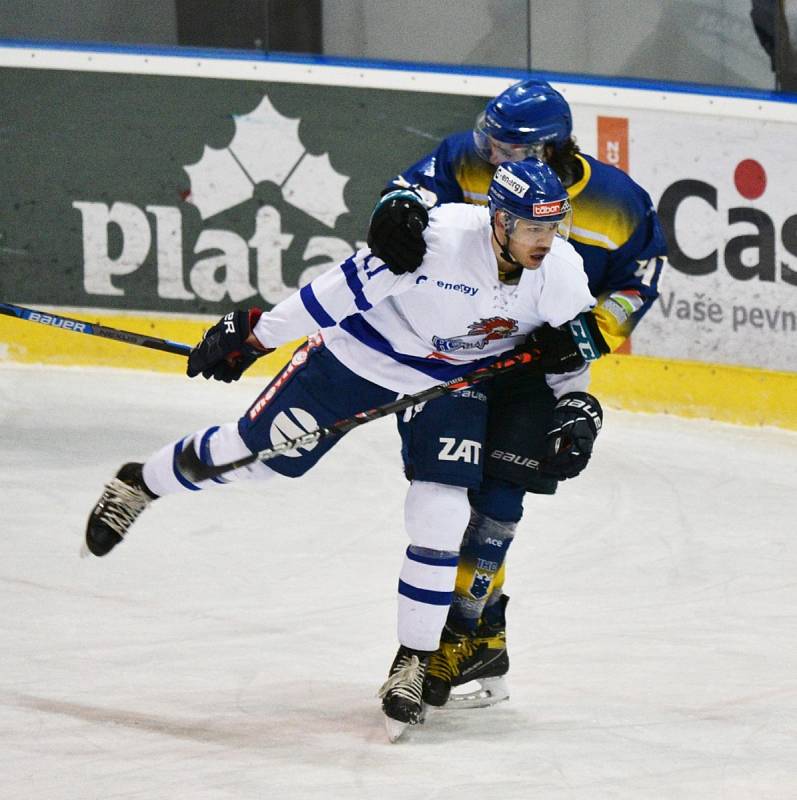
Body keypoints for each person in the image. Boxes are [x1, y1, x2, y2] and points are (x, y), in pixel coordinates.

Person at [83, 158, 603, 741]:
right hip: (360, 356)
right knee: (255, 459)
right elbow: (334, 294)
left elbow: (566, 356)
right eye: (533, 227)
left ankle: (413, 661)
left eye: (553, 227)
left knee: (443, 509)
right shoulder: (436, 239)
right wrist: (256, 337)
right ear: (500, 221)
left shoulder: (560, 272)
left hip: (449, 383)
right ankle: (141, 483)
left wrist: (574, 405)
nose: (544, 240)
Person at [367, 78, 667, 708]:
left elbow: (640, 283)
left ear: (550, 150)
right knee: (452, 493)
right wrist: (393, 210)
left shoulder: (619, 203)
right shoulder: (464, 161)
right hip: (455, 352)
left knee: (501, 497)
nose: (491, 155)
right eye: (490, 141)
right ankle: (467, 638)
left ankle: (473, 635)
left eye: (507, 147)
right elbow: (407, 202)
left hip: (535, 366)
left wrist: (588, 334)